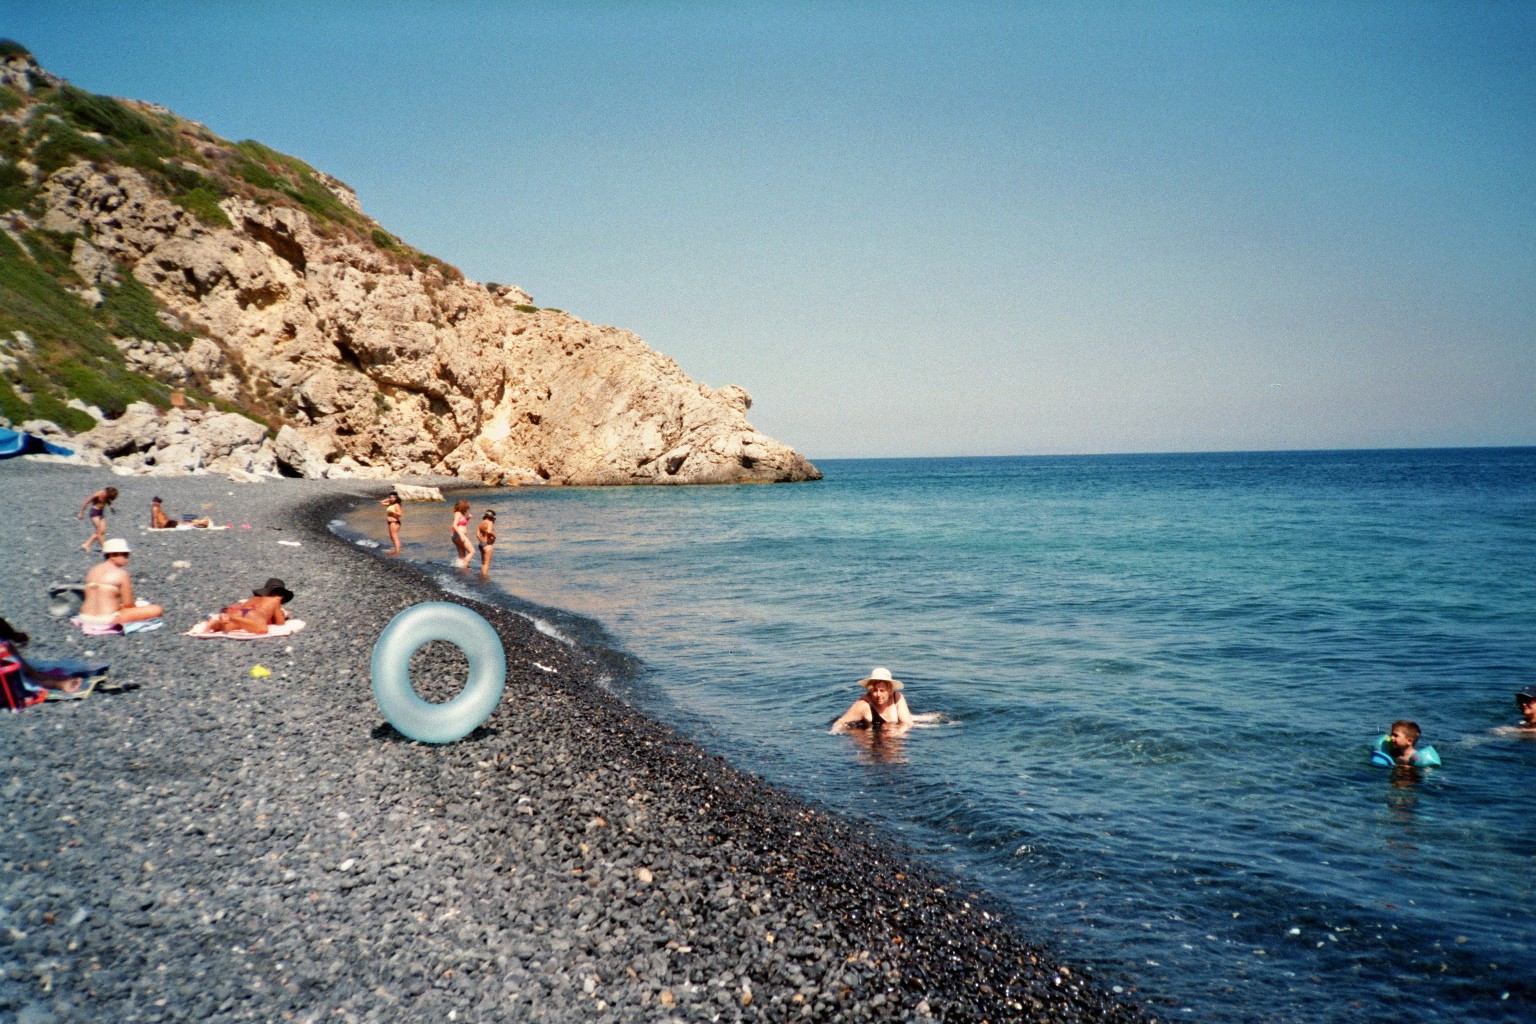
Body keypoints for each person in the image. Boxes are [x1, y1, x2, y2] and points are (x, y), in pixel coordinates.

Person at [78, 539, 163, 627]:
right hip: (107, 618)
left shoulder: (93, 570)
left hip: (84, 617)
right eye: (125, 555)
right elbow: (128, 604)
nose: (127, 558)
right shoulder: (121, 574)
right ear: (112, 555)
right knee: (157, 609)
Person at [830, 667, 914, 735]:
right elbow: (840, 722)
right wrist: (835, 732)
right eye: (875, 690)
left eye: (882, 690)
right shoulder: (863, 705)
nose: (878, 695)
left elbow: (908, 723)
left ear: (889, 690)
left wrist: (899, 732)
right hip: (873, 741)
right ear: (870, 690)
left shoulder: (897, 698)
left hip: (891, 738)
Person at [200, 578, 293, 634]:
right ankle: (231, 617)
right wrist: (282, 614)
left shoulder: (255, 598)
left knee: (229, 627)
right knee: (262, 629)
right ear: (281, 593)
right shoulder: (276, 599)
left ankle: (215, 623)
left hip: (241, 610)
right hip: (255, 614)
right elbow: (280, 623)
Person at [1373, 720, 1440, 767]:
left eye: (1396, 736)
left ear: (1409, 741)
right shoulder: (1395, 752)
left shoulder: (1413, 758)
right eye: (1391, 735)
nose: (1391, 738)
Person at [77, 486, 118, 551]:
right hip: (94, 513)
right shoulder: (97, 494)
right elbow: (86, 502)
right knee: (99, 531)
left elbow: (108, 500)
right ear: (107, 493)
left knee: (102, 531)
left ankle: (86, 545)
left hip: (101, 513)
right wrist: (81, 512)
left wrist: (111, 506)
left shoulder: (107, 495)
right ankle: (105, 548)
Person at [450, 498, 472, 568]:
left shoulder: (459, 514)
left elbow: (462, 525)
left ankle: (460, 569)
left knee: (462, 555)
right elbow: (454, 525)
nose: (467, 509)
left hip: (457, 536)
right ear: (462, 507)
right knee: (472, 552)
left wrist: (467, 519)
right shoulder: (458, 514)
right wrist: (462, 535)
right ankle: (464, 567)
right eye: (466, 508)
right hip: (459, 536)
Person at [379, 491, 403, 556]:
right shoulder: (390, 504)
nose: (390, 498)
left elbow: (400, 514)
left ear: (395, 498)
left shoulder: (396, 505)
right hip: (390, 523)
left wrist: (393, 513)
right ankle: (396, 549)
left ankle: (397, 551)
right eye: (389, 497)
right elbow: (381, 502)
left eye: (391, 497)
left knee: (394, 537)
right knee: (391, 537)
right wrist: (389, 499)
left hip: (394, 522)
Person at [476, 510, 497, 576]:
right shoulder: (490, 523)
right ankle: (484, 578)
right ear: (492, 517)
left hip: (481, 544)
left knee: (483, 563)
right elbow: (489, 532)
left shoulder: (481, 523)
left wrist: (482, 541)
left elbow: (477, 534)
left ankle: (482, 576)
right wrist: (494, 537)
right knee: (487, 564)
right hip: (488, 545)